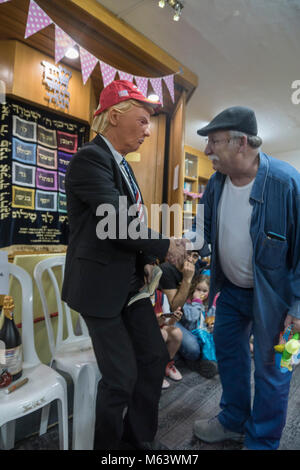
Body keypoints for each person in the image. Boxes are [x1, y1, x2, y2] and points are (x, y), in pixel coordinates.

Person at [61, 80, 186, 451]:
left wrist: (147, 260)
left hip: (129, 285)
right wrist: (164, 246)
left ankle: (139, 442)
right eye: (144, 120)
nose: (149, 131)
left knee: (153, 359)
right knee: (121, 378)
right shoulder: (90, 159)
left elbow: (128, 227)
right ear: (115, 114)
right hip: (98, 288)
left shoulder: (125, 168)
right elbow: (114, 220)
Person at [189, 106, 300, 450]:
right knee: (230, 357)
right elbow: (202, 231)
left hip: (278, 300)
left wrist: (298, 307)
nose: (207, 150)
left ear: (241, 144)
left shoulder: (287, 183)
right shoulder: (217, 184)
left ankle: (261, 442)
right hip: (232, 292)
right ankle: (233, 421)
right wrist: (182, 245)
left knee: (274, 369)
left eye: (214, 142)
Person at [159, 250, 217, 377]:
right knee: (193, 348)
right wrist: (187, 279)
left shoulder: (196, 269)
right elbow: (176, 307)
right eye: (188, 254)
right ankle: (192, 362)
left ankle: (206, 361)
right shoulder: (167, 269)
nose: (190, 259)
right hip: (171, 318)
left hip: (194, 326)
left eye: (195, 256)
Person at [179, 274, 218, 378]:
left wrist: (212, 326)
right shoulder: (187, 304)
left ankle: (210, 364)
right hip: (194, 335)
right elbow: (192, 317)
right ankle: (205, 363)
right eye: (198, 289)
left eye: (204, 291)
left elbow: (212, 319)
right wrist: (197, 302)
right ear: (193, 289)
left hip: (206, 335)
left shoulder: (209, 305)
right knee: (203, 338)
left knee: (216, 337)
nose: (201, 293)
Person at [151, 290, 183, 389]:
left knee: (176, 333)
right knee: (162, 334)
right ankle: (154, 371)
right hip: (145, 332)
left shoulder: (161, 296)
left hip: (160, 327)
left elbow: (168, 322)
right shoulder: (140, 297)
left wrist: (174, 318)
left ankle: (166, 364)